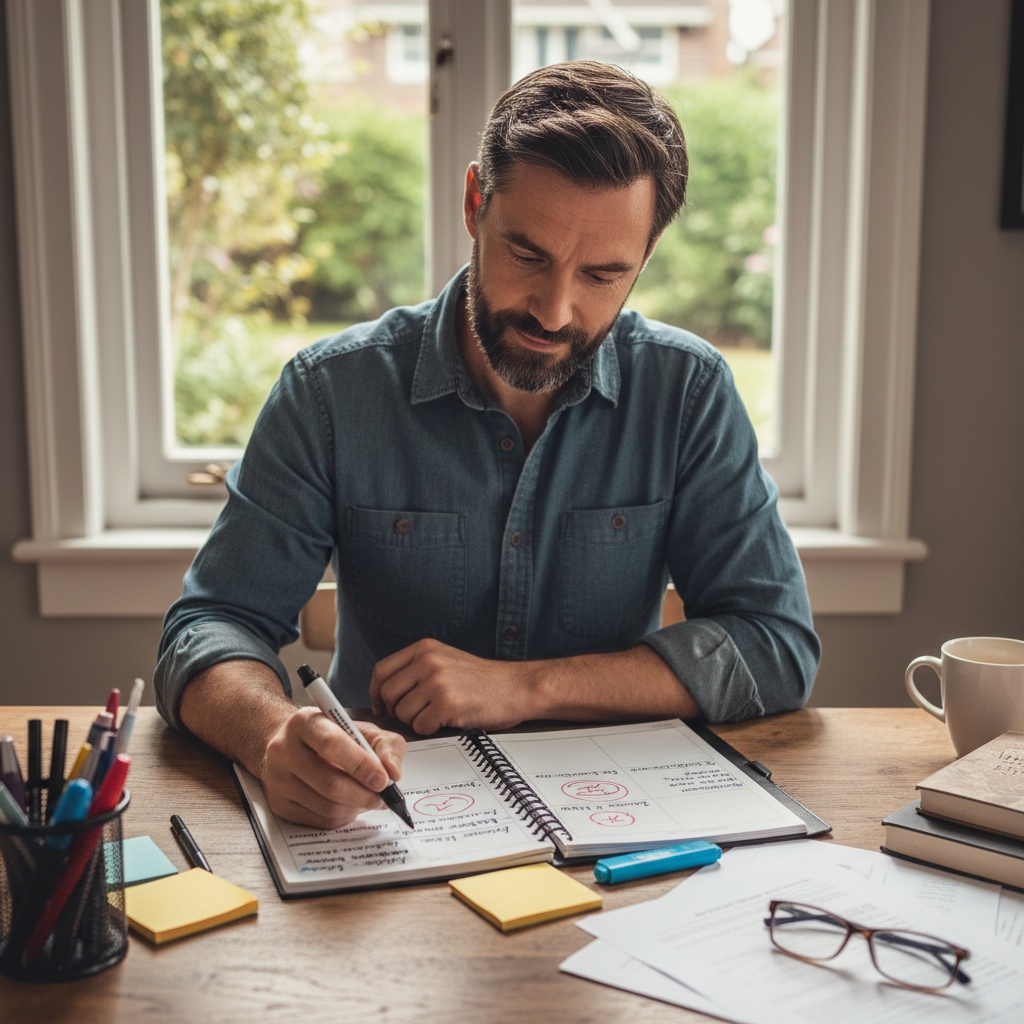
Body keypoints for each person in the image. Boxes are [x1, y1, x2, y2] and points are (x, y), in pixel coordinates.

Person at [155, 60, 819, 831]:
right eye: (528, 254)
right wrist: (272, 733)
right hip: (388, 823)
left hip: (621, 828)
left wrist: (524, 686)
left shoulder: (689, 392)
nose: (555, 309)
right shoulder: (331, 391)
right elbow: (209, 628)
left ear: (647, 253)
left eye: (604, 274)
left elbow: (774, 646)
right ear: (475, 202)